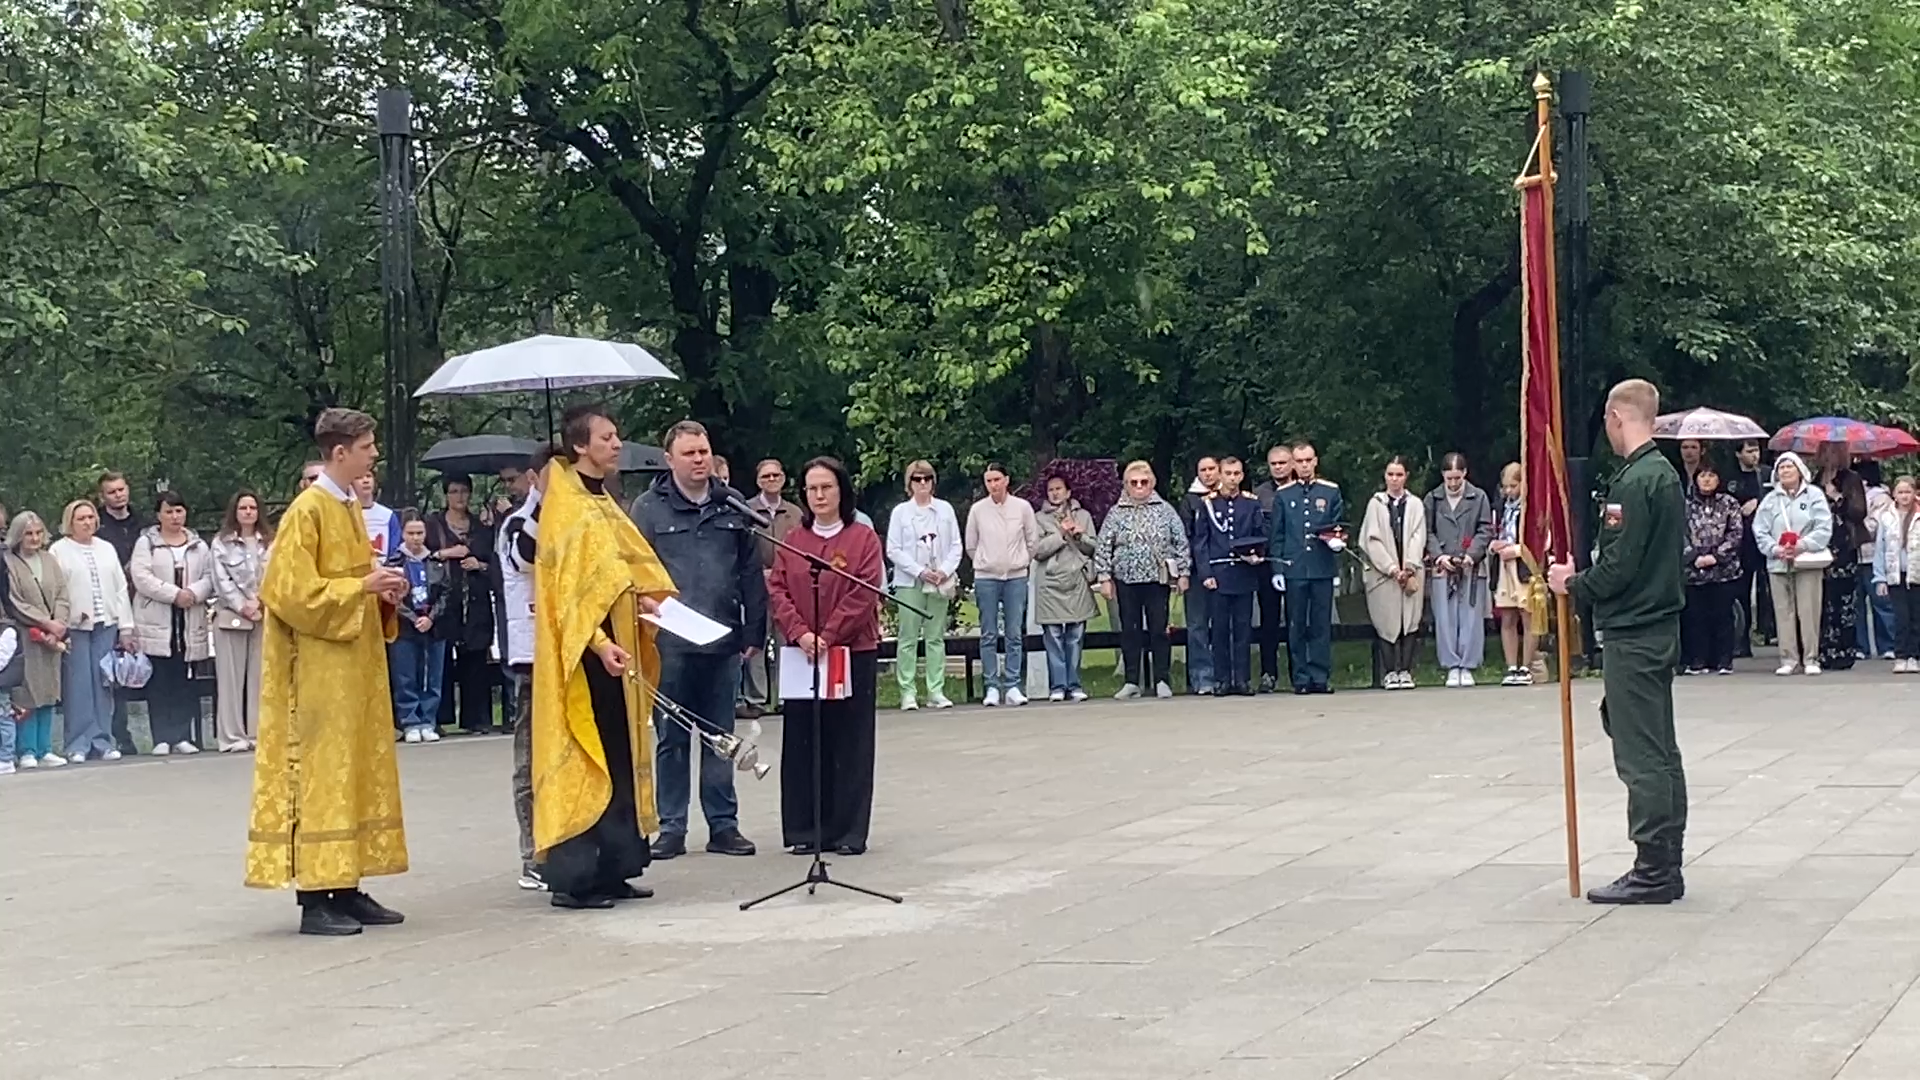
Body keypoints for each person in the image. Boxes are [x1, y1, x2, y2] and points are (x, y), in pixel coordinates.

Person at [245, 408, 411, 936]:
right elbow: (286, 592)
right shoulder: (308, 510)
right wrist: (358, 589)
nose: (373, 457)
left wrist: (382, 587)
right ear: (339, 453)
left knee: (354, 767)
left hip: (352, 665)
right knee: (319, 771)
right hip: (315, 669)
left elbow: (352, 577)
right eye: (366, 448)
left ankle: (346, 882)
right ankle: (315, 896)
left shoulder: (346, 508)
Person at [1548, 378, 1688, 905]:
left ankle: (1653, 866)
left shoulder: (1635, 482)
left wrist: (1573, 584)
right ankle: (1664, 861)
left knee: (1641, 753)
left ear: (1615, 416)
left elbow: (1620, 567)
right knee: (1660, 749)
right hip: (1656, 627)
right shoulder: (1664, 475)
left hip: (1635, 631)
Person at [532, 404, 676, 909]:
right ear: (580, 446)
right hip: (586, 655)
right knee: (588, 755)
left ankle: (615, 865)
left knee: (618, 751)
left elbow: (621, 570)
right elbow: (566, 595)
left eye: (617, 435)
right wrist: (600, 642)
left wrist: (644, 599)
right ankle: (576, 878)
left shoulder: (602, 498)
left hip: (620, 642)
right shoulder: (565, 505)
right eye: (607, 437)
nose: (617, 444)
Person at [629, 419, 767, 860]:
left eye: (703, 451)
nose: (699, 460)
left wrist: (753, 632)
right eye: (689, 453)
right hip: (668, 640)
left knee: (719, 734)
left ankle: (723, 825)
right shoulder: (649, 509)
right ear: (669, 460)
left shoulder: (732, 506)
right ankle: (671, 826)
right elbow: (634, 572)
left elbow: (750, 572)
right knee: (671, 737)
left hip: (722, 637)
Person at [767, 456, 883, 856]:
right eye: (812, 488)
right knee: (804, 742)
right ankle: (805, 829)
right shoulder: (793, 541)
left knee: (849, 743)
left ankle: (848, 831)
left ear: (841, 491)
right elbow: (778, 589)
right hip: (803, 654)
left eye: (826, 487)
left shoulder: (862, 539)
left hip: (852, 650)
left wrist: (830, 634)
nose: (818, 495)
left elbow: (863, 592)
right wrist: (800, 633)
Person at [498, 446, 554, 890]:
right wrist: (542, 501)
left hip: (568, 649)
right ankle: (532, 850)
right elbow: (525, 557)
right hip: (531, 654)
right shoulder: (520, 522)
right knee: (530, 758)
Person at [1094, 461, 1189, 699]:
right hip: (1126, 580)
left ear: (1152, 483)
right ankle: (1132, 681)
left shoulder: (1165, 510)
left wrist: (1184, 573)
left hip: (1158, 579)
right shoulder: (1116, 512)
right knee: (1130, 631)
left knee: (1159, 630)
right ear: (1126, 485)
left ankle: (1162, 679)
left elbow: (1180, 542)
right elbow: (1103, 546)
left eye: (1143, 482)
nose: (1139, 486)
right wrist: (1104, 577)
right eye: (1133, 482)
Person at [130, 493, 215, 755]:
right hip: (157, 618)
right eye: (169, 512)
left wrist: (193, 593)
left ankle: (181, 735)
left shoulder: (199, 545)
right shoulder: (147, 544)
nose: (174, 517)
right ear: (159, 515)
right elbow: (141, 577)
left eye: (179, 511)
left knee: (184, 680)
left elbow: (211, 576)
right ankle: (161, 738)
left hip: (189, 620)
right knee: (160, 680)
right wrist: (174, 594)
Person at [50, 500, 132, 763]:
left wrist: (126, 627)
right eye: (80, 518)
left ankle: (103, 740)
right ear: (70, 522)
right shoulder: (59, 550)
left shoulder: (106, 548)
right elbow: (56, 591)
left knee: (103, 683)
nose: (87, 523)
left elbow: (121, 588)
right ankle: (77, 743)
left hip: (105, 624)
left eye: (90, 517)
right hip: (75, 627)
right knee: (78, 685)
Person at [884, 460, 961, 711]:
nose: (923, 484)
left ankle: (935, 690)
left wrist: (944, 571)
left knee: (935, 636)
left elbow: (955, 545)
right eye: (917, 479)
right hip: (910, 582)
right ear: (910, 483)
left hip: (939, 580)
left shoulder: (945, 510)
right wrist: (919, 571)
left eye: (927, 479)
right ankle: (907, 691)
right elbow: (893, 549)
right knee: (908, 637)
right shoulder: (901, 512)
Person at [1269, 442, 1344, 695]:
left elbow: (1338, 527)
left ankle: (1320, 676)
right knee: (1296, 624)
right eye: (1299, 461)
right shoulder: (1284, 494)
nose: (1303, 465)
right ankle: (1300, 678)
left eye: (1307, 460)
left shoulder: (1330, 491)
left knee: (1321, 625)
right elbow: (1277, 535)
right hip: (1294, 568)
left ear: (1315, 461)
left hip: (1322, 568)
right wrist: (1278, 569)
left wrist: (1337, 546)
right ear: (1293, 464)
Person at [427, 475, 498, 735]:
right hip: (444, 599)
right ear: (446, 495)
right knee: (441, 658)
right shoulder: (433, 525)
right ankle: (440, 716)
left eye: (464, 491)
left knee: (476, 656)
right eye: (454, 491)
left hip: (476, 599)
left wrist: (478, 565)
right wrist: (446, 554)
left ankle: (476, 718)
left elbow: (494, 563)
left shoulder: (481, 528)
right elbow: (419, 555)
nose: (459, 497)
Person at [964, 462, 1039, 707]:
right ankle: (992, 686)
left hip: (1016, 577)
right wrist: (985, 563)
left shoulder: (1022, 507)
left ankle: (1013, 684)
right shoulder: (978, 510)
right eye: (989, 481)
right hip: (986, 577)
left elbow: (1032, 540)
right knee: (988, 633)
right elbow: (971, 544)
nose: (993, 485)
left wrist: (1020, 562)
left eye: (997, 479)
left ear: (1006, 480)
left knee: (1014, 632)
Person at [1752, 452, 1832, 676]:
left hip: (1807, 561)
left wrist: (1803, 545)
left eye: (1789, 466)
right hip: (1778, 562)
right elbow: (1760, 529)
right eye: (1781, 468)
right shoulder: (1770, 500)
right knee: (1783, 611)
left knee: (1809, 610)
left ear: (1800, 470)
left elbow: (1824, 527)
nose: (1785, 471)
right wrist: (1775, 549)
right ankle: (1788, 658)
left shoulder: (1814, 495)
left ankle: (1811, 658)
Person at [1193, 458, 1265, 696]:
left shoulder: (1251, 504)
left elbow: (1259, 534)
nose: (1232, 478)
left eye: (1236, 473)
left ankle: (1242, 679)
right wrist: (1205, 573)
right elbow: (1201, 541)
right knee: (1220, 630)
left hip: (1243, 574)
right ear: (1220, 475)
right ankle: (1222, 680)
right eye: (1228, 473)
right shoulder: (1208, 504)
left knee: (1243, 630)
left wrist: (1257, 555)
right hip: (1219, 574)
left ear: (1242, 475)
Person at [741, 458, 804, 717]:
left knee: (785, 642)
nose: (771, 480)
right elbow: (743, 547)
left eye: (776, 476)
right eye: (766, 476)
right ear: (758, 481)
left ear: (783, 478)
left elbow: (800, 548)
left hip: (787, 586)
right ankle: (756, 698)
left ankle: (785, 696)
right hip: (756, 583)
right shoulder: (746, 509)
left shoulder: (794, 513)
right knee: (756, 641)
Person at [211, 490, 273, 752]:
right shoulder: (221, 543)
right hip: (230, 616)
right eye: (243, 508)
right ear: (234, 512)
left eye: (252, 508)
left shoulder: (270, 542)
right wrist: (242, 605)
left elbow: (275, 573)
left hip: (263, 613)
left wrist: (259, 602)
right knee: (230, 679)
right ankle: (232, 737)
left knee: (260, 677)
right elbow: (220, 580)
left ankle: (258, 734)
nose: (248, 512)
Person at [1424, 453, 1494, 687]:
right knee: (1445, 616)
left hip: (1471, 567)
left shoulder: (1479, 497)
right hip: (1442, 566)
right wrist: (1439, 555)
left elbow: (1486, 528)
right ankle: (1451, 665)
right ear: (1443, 476)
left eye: (1457, 478)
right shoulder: (1433, 499)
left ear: (1465, 474)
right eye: (1449, 478)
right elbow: (1427, 530)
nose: (1453, 483)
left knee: (1471, 616)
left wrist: (1472, 555)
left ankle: (1468, 664)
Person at [7, 512, 70, 769]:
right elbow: (14, 600)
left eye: (38, 533)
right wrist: (43, 622)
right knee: (27, 692)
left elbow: (62, 594)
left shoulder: (49, 559)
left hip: (52, 636)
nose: (34, 538)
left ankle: (45, 748)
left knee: (49, 689)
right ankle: (27, 750)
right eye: (28, 533)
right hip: (26, 633)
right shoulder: (9, 562)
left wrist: (59, 623)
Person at [1360, 457, 1427, 689]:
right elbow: (1372, 539)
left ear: (1406, 476)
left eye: (1399, 475)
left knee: (1410, 620)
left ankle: (1406, 670)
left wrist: (1409, 566)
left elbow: (1419, 535)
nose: (1394, 479)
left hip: (1410, 570)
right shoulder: (1376, 504)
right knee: (1386, 620)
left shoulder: (1415, 504)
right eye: (1390, 474)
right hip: (1384, 573)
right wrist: (1391, 568)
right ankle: (1389, 671)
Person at [1033, 473, 1100, 701]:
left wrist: (1079, 534)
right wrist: (1060, 534)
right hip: (1050, 582)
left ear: (1068, 492)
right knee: (1053, 636)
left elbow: (1094, 547)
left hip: (1077, 580)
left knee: (1075, 635)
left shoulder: (1084, 516)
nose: (1055, 493)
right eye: (1051, 489)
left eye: (1059, 488)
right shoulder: (1038, 518)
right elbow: (1038, 550)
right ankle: (1058, 686)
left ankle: (1074, 684)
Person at [95, 471, 147, 755]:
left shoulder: (143, 523)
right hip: (112, 605)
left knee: (145, 667)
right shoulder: (99, 527)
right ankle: (119, 735)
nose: (118, 495)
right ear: (103, 496)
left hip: (145, 602)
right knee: (112, 673)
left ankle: (165, 733)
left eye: (121, 489)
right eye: (112, 492)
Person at [386, 513, 449, 743]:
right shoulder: (394, 563)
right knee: (406, 675)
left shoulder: (435, 561)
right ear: (402, 534)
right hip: (405, 627)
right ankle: (410, 721)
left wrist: (431, 618)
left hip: (433, 627)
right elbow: (391, 597)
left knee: (432, 675)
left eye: (420, 533)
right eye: (411, 533)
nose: (416, 538)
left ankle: (428, 720)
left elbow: (445, 593)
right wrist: (413, 618)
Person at [1680, 465, 1744, 676]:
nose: (1707, 480)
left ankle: (1724, 660)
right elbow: (1678, 533)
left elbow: (1735, 533)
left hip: (1723, 571)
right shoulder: (1685, 504)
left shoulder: (1729, 503)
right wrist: (1693, 557)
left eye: (1711, 475)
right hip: (1693, 572)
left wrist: (1715, 557)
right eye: (1703, 476)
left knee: (1723, 616)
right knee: (1695, 618)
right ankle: (1697, 660)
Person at [1489, 463, 1539, 686]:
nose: (1509, 491)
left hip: (1523, 565)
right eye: (1506, 486)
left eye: (1513, 486)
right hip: (1503, 566)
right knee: (1507, 616)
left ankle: (1526, 667)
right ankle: (1512, 666)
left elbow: (1538, 539)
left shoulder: (1531, 508)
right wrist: (1495, 545)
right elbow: (1495, 530)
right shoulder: (1500, 506)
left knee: (1527, 616)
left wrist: (1517, 549)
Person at [1817, 454, 1868, 672]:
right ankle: (1825, 650)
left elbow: (1859, 512)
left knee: (1844, 600)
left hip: (1844, 544)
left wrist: (1837, 497)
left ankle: (1845, 650)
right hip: (1821, 544)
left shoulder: (1851, 478)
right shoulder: (1816, 478)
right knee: (1824, 600)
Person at [1252, 445, 1293, 691]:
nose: (1278, 467)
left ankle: (1299, 671)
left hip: (1296, 562)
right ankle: (1269, 673)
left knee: (1297, 619)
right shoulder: (1259, 495)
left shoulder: (1302, 491)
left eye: (1282, 462)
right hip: (1268, 565)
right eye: (1274, 464)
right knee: (1269, 620)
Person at [1181, 455, 1222, 694]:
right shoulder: (1190, 500)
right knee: (1197, 625)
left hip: (1224, 570)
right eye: (1203, 469)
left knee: (1222, 625)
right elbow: (1187, 536)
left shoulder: (1228, 496)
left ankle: (1224, 675)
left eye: (1211, 469)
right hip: (1197, 571)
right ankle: (1201, 678)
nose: (1208, 473)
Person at [1872, 476, 1920, 672]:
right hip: (1895, 574)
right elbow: (1880, 549)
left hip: (1916, 573)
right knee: (1900, 616)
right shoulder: (1886, 517)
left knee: (1916, 617)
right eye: (1900, 492)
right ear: (1894, 494)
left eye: (1908, 492)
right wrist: (1880, 577)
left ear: (1914, 493)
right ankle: (1900, 654)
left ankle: (1914, 655)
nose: (1904, 496)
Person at [1728, 439, 1770, 655]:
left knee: (1771, 590)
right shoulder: (1731, 479)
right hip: (1743, 543)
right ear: (1739, 454)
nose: (1755, 455)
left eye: (1756, 451)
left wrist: (1759, 503)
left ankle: (1770, 632)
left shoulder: (1767, 475)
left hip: (1767, 542)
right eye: (1749, 451)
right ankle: (1742, 641)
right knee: (1741, 591)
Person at [353, 474, 401, 560]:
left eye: (368, 476)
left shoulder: (388, 515)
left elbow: (394, 550)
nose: (365, 481)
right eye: (359, 477)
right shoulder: (345, 514)